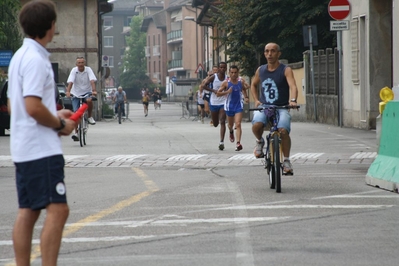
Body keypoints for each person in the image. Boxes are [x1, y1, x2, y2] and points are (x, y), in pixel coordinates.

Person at [7, 1, 76, 265]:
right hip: (41, 150)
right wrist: (59, 124)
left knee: (28, 211)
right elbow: (33, 106)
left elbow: (17, 107)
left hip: (24, 147)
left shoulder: (19, 57)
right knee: (58, 210)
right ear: (50, 26)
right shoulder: (37, 60)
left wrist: (52, 115)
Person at [251, 42, 298, 175]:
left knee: (283, 131)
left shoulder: (285, 70)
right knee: (257, 125)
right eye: (267, 51)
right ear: (264, 53)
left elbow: (293, 86)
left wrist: (293, 101)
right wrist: (256, 100)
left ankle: (287, 161)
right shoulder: (261, 70)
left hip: (282, 107)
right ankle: (259, 142)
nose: (269, 54)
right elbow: (253, 85)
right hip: (265, 106)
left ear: (279, 53)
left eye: (273, 51)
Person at [217, 65, 249, 151]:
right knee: (230, 125)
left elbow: (243, 89)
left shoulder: (240, 81)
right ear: (229, 73)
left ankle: (238, 143)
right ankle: (231, 131)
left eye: (235, 72)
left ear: (238, 73)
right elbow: (217, 93)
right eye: (232, 72)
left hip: (238, 105)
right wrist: (227, 91)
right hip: (229, 107)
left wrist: (246, 97)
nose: (234, 74)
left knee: (238, 124)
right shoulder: (226, 83)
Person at [66, 56, 97, 141]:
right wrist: (68, 92)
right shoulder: (74, 71)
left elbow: (92, 81)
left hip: (87, 92)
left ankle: (90, 116)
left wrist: (94, 90)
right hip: (76, 93)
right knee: (76, 113)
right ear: (76, 64)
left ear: (85, 63)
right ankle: (76, 133)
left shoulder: (88, 70)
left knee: (89, 100)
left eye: (82, 62)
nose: (81, 64)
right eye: (79, 63)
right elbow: (71, 82)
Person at [203, 62, 228, 150]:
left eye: (224, 67)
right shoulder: (214, 77)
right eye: (221, 67)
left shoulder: (227, 78)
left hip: (223, 102)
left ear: (226, 68)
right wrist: (213, 90)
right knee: (216, 124)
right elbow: (204, 86)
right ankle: (215, 120)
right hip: (214, 102)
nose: (222, 69)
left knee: (222, 121)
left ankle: (221, 142)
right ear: (218, 68)